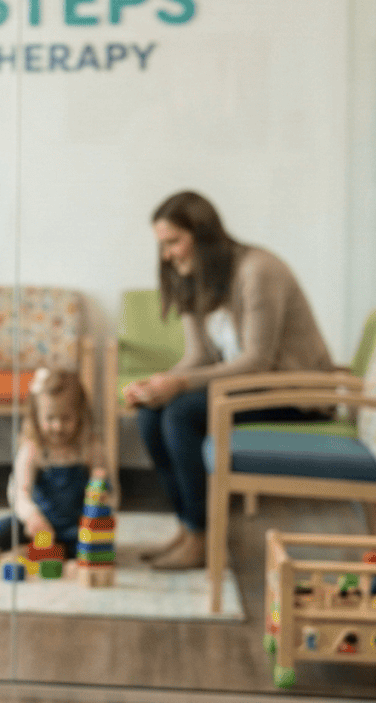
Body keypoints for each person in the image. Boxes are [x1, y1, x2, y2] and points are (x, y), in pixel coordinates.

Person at [122, 190, 333, 571]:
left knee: (181, 413)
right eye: (162, 245)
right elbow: (198, 357)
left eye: (174, 242)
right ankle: (187, 527)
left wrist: (178, 385)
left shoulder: (258, 270)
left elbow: (257, 362)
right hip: (248, 389)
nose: (167, 255)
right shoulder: (192, 275)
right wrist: (157, 384)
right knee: (152, 413)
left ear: (202, 235)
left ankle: (203, 537)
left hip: (293, 393)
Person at [0, 368, 105, 568]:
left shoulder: (90, 448)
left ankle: (29, 553)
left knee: (89, 544)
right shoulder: (33, 449)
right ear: (36, 416)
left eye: (66, 418)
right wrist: (32, 516)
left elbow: (110, 492)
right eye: (50, 418)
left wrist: (102, 488)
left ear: (80, 415)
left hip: (75, 526)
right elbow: (19, 492)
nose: (57, 426)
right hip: (36, 524)